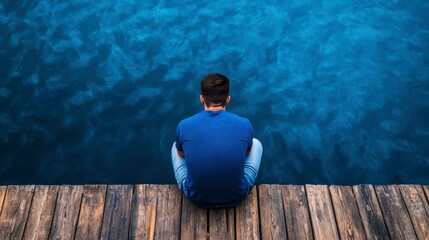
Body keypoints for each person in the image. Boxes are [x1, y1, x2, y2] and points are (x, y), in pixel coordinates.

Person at [171, 73, 263, 208]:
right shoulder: (244, 124)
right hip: (237, 196)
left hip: (196, 197)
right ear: (228, 99)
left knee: (176, 146)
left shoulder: (184, 125)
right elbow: (247, 154)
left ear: (201, 99)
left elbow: (181, 155)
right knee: (256, 143)